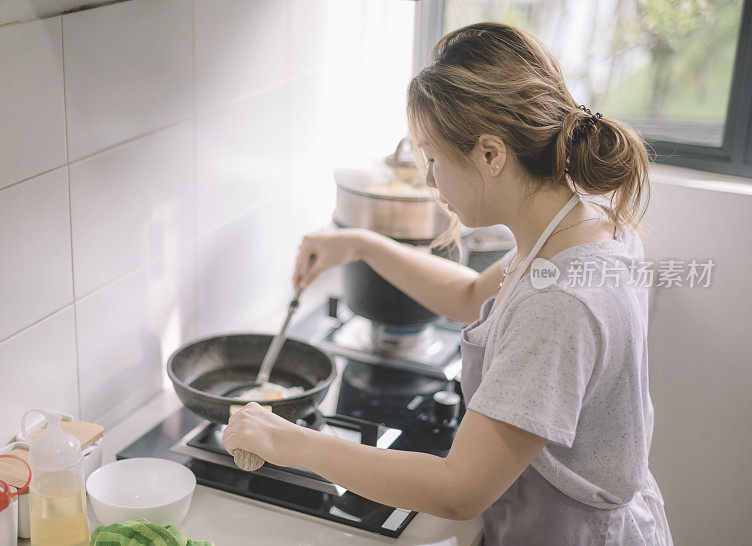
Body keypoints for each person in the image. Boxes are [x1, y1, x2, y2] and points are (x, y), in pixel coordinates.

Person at [223, 22, 674, 545]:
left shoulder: (561, 301)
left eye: (434, 158)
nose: (431, 179)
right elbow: (468, 297)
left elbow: (459, 490)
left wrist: (289, 441)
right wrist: (362, 245)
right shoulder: (577, 222)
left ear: (490, 153)